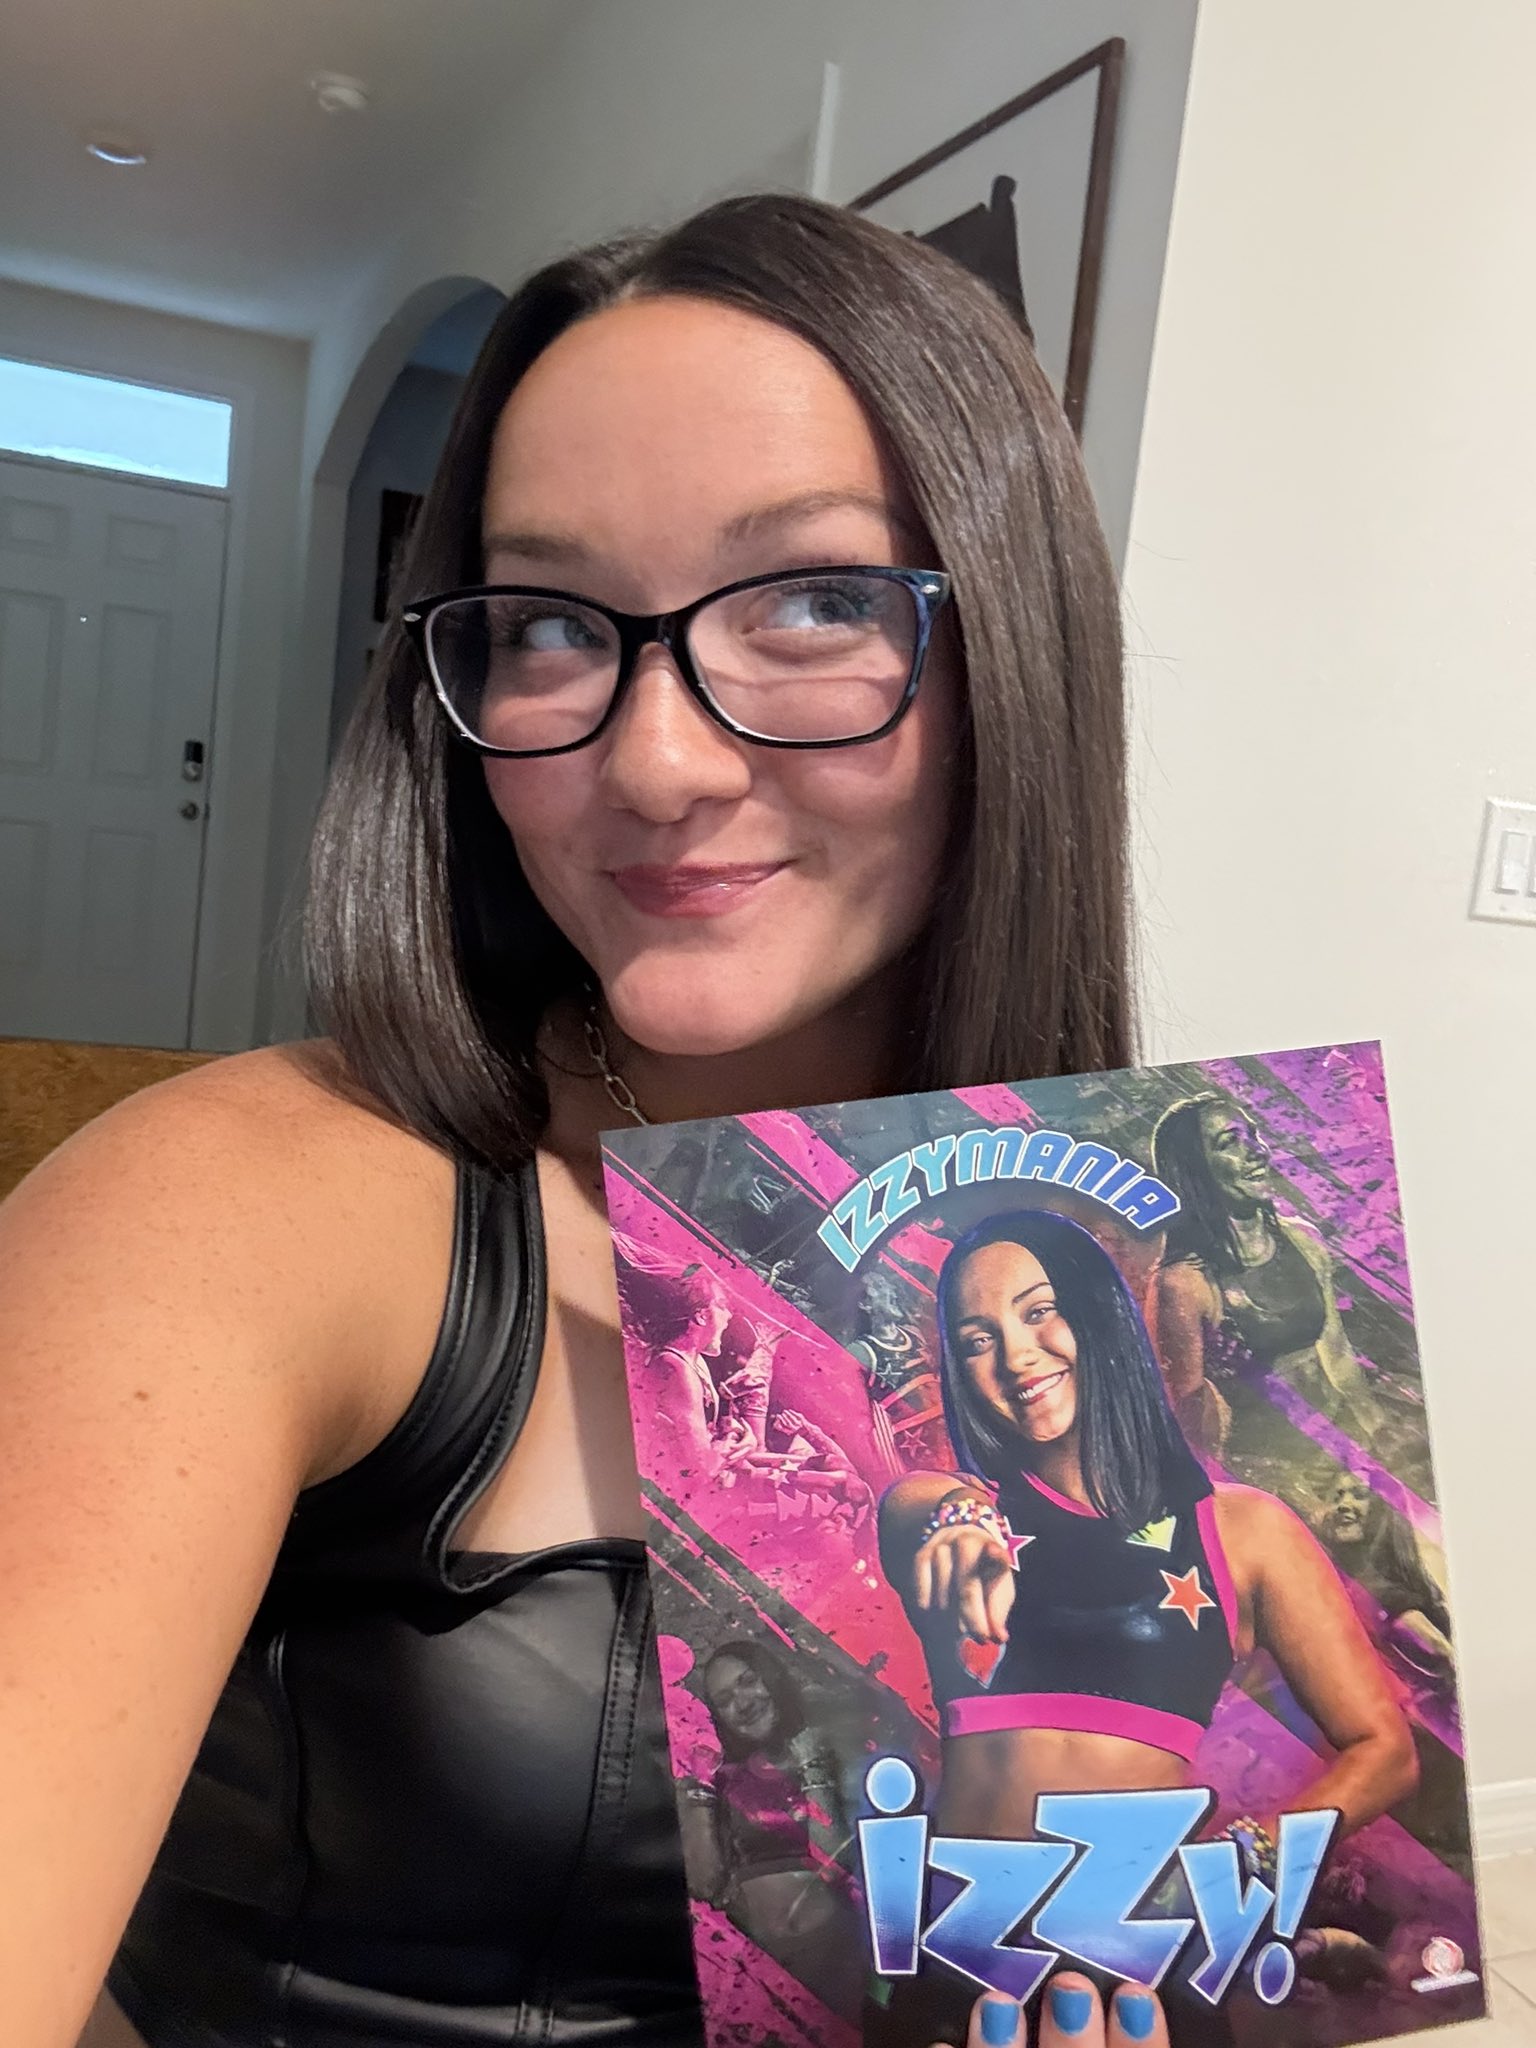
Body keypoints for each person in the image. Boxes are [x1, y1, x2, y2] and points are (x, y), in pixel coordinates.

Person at [0, 189, 1135, 2048]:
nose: (654, 761)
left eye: (817, 603)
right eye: (543, 623)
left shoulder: (1099, 1233)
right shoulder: (234, 1205)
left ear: (1015, 651)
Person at [879, 1210, 1417, 2043]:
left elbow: (1385, 1749)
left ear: (1099, 1313)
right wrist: (958, 1520)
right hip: (962, 1957)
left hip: (1144, 1965)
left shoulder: (1242, 1530)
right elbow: (920, 1507)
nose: (1015, 1357)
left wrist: (1250, 1856)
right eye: (978, 1340)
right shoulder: (949, 1507)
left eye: (1039, 1311)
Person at [1147, 1095, 1387, 1460]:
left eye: (1253, 1135)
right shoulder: (1185, 1283)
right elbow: (1188, 1416)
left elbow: (1337, 1354)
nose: (1257, 1151)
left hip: (1341, 1448)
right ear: (1194, 1170)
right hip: (1270, 1466)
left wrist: (1377, 1429)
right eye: (1230, 1142)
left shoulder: (1303, 1240)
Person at [691, 1641, 863, 2017]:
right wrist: (698, 1791)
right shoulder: (725, 1780)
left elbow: (834, 1864)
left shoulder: (826, 1745)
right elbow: (704, 1885)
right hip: (765, 1968)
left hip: (839, 1954)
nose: (742, 1702)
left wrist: (812, 1766)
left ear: (772, 1677)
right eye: (724, 1700)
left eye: (748, 1681)